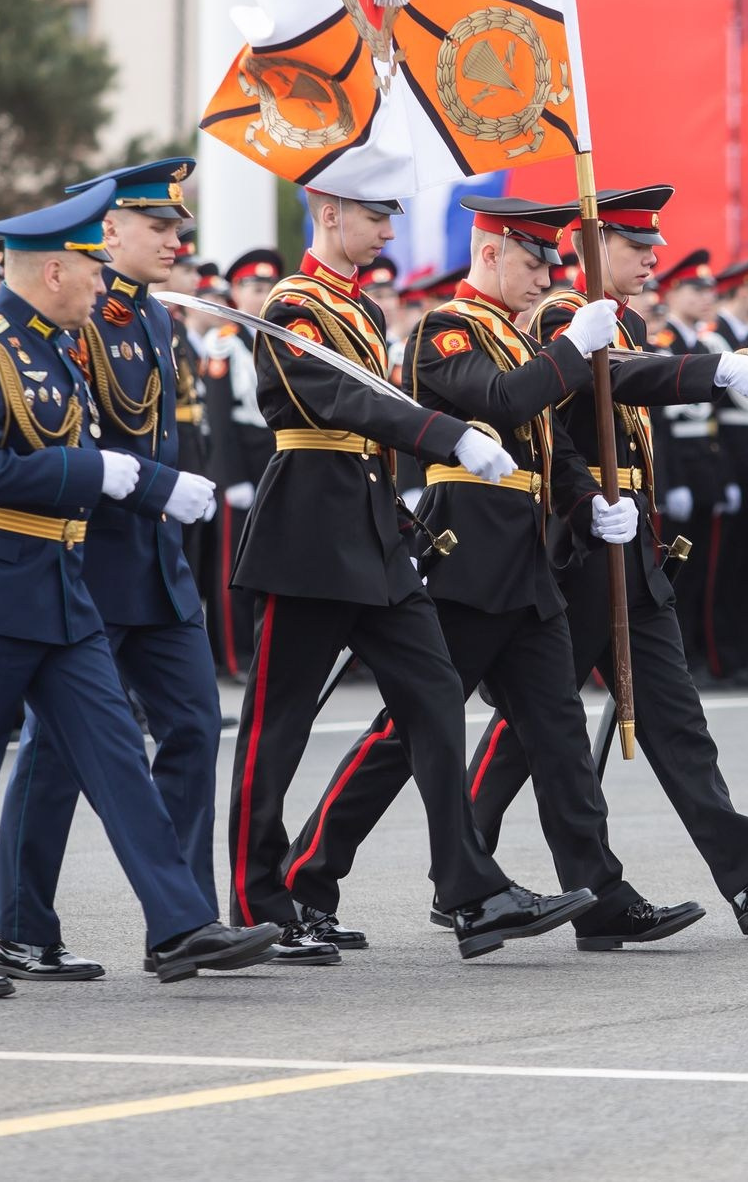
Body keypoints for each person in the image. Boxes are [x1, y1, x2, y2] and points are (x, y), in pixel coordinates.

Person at [286, 197, 701, 952]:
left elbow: (555, 451)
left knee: (559, 730)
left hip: (530, 557)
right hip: (469, 553)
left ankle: (599, 893)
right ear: (490, 256)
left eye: (550, 262)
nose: (546, 275)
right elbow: (506, 401)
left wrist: (591, 503)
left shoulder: (517, 338)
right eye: (533, 261)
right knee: (405, 733)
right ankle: (306, 878)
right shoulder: (447, 329)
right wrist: (574, 349)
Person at [0, 181, 279, 997]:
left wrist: (120, 478)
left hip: (62, 593)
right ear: (56, 273)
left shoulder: (60, 347)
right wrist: (101, 470)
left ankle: (181, 924)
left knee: (117, 761)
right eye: (94, 272)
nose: (108, 286)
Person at [222, 186, 597, 960]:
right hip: (307, 534)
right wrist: (447, 435)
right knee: (277, 725)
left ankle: (471, 889)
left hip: (371, 531)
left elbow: (372, 425)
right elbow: (331, 398)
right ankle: (260, 901)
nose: (390, 231)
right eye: (375, 217)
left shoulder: (357, 310)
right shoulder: (292, 305)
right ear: (328, 214)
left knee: (432, 699)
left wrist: (406, 500)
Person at [468, 186, 748, 938]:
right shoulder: (559, 318)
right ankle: (467, 870)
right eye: (635, 247)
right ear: (590, 248)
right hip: (579, 547)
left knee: (676, 720)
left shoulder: (622, 321)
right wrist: (712, 373)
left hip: (629, 544)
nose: (651, 259)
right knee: (530, 726)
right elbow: (575, 421)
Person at [0, 160, 233, 982]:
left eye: (177, 228)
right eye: (159, 227)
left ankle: (188, 922)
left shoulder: (156, 320)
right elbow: (73, 441)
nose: (176, 240)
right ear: (111, 231)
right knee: (58, 752)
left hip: (155, 563)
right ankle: (20, 927)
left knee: (196, 725)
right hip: (91, 559)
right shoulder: (75, 318)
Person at [199, 247, 284, 680]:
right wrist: (230, 477)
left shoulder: (276, 335)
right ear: (235, 292)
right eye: (253, 287)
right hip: (236, 460)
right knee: (233, 566)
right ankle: (234, 656)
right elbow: (218, 414)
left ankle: (264, 652)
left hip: (270, 454)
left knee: (269, 562)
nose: (262, 294)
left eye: (268, 286)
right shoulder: (225, 341)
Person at [649, 249, 729, 676]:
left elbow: (716, 424)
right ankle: (675, 660)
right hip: (676, 470)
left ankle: (695, 654)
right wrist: (669, 482)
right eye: (696, 290)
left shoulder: (703, 345)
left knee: (701, 574)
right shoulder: (664, 346)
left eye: (709, 290)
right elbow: (660, 425)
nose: (706, 298)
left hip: (704, 471)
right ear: (674, 291)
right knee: (670, 574)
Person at [697, 255, 748, 684]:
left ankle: (743, 655)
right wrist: (723, 474)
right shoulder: (715, 340)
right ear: (743, 288)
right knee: (719, 569)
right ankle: (718, 654)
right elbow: (714, 420)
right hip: (726, 464)